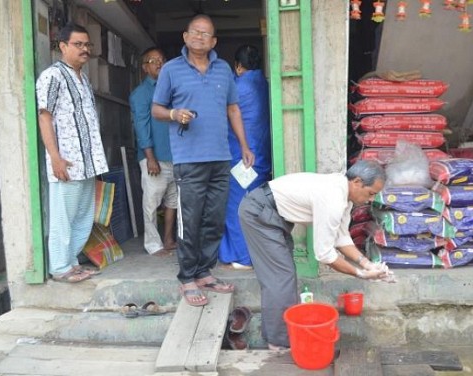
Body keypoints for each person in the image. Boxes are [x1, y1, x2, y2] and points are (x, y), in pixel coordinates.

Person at [151, 15, 255, 306]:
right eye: (195, 33)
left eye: (205, 34)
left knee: (213, 219)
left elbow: (233, 109)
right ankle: (187, 276)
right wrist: (174, 114)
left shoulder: (223, 70)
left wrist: (244, 146)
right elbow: (157, 109)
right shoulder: (171, 70)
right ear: (185, 36)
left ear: (214, 41)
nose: (199, 37)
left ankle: (204, 271)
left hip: (220, 157)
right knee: (190, 220)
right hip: (188, 159)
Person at [238, 160, 394, 350]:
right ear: (357, 182)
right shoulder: (333, 199)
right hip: (260, 213)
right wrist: (360, 274)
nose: (371, 199)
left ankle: (278, 337)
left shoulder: (344, 195)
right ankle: (278, 343)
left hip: (272, 214)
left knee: (281, 277)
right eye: (371, 193)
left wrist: (367, 264)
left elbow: (342, 237)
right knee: (280, 278)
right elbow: (325, 255)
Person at [36, 23, 108, 283]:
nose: (84, 49)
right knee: (63, 218)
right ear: (63, 46)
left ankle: (71, 262)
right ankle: (59, 267)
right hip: (67, 161)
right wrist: (55, 157)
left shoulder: (83, 77)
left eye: (87, 44)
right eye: (78, 44)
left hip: (87, 162)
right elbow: (45, 117)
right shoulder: (52, 76)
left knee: (82, 216)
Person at [218, 45, 272, 270]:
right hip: (261, 156)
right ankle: (257, 254)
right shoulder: (265, 84)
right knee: (258, 207)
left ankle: (242, 256)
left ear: (239, 67)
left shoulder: (237, 87)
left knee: (236, 207)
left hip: (241, 156)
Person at [130, 47, 177, 257]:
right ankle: (153, 244)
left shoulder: (171, 90)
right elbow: (141, 126)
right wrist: (150, 157)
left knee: (173, 201)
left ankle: (168, 239)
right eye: (153, 60)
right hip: (154, 158)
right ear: (144, 67)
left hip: (175, 156)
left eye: (161, 59)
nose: (159, 63)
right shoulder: (141, 94)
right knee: (151, 202)